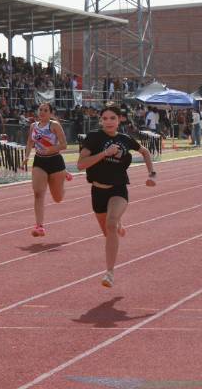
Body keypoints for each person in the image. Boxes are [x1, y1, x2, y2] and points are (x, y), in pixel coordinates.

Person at [77, 105, 156, 288]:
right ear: (101, 121)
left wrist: (152, 174)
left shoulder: (125, 139)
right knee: (108, 232)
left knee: (110, 224)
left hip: (118, 189)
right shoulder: (94, 138)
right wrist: (104, 153)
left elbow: (144, 152)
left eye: (112, 118)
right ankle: (118, 223)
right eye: (104, 118)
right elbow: (81, 164)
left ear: (119, 119)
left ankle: (109, 273)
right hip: (98, 191)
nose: (108, 122)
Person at [22, 102, 72, 237]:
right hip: (39, 162)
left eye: (45, 110)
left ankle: (63, 176)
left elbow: (64, 145)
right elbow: (29, 143)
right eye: (40, 110)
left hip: (55, 161)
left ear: (50, 113)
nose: (42, 112)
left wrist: (51, 148)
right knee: (38, 194)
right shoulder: (33, 126)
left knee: (58, 198)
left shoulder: (54, 125)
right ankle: (39, 226)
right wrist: (26, 157)